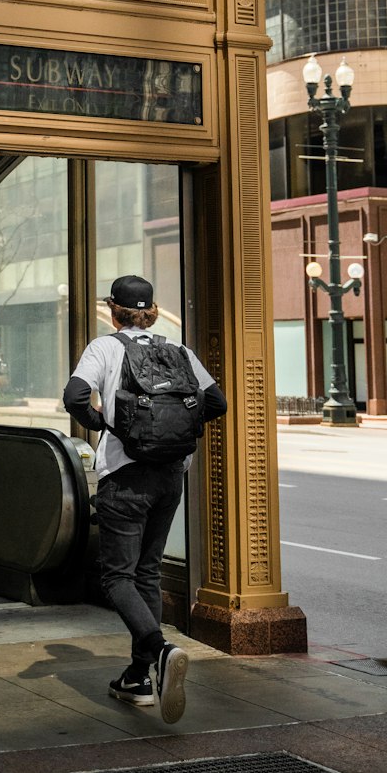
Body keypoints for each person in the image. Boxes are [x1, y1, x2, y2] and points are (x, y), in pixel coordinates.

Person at [63, 274, 228, 721]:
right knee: (148, 573)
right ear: (151, 311)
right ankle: (138, 677)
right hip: (170, 475)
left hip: (125, 475)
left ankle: (159, 650)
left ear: (113, 311)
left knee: (117, 578)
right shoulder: (179, 352)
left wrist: (104, 423)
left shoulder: (105, 347)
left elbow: (75, 395)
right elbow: (217, 404)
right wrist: (174, 432)